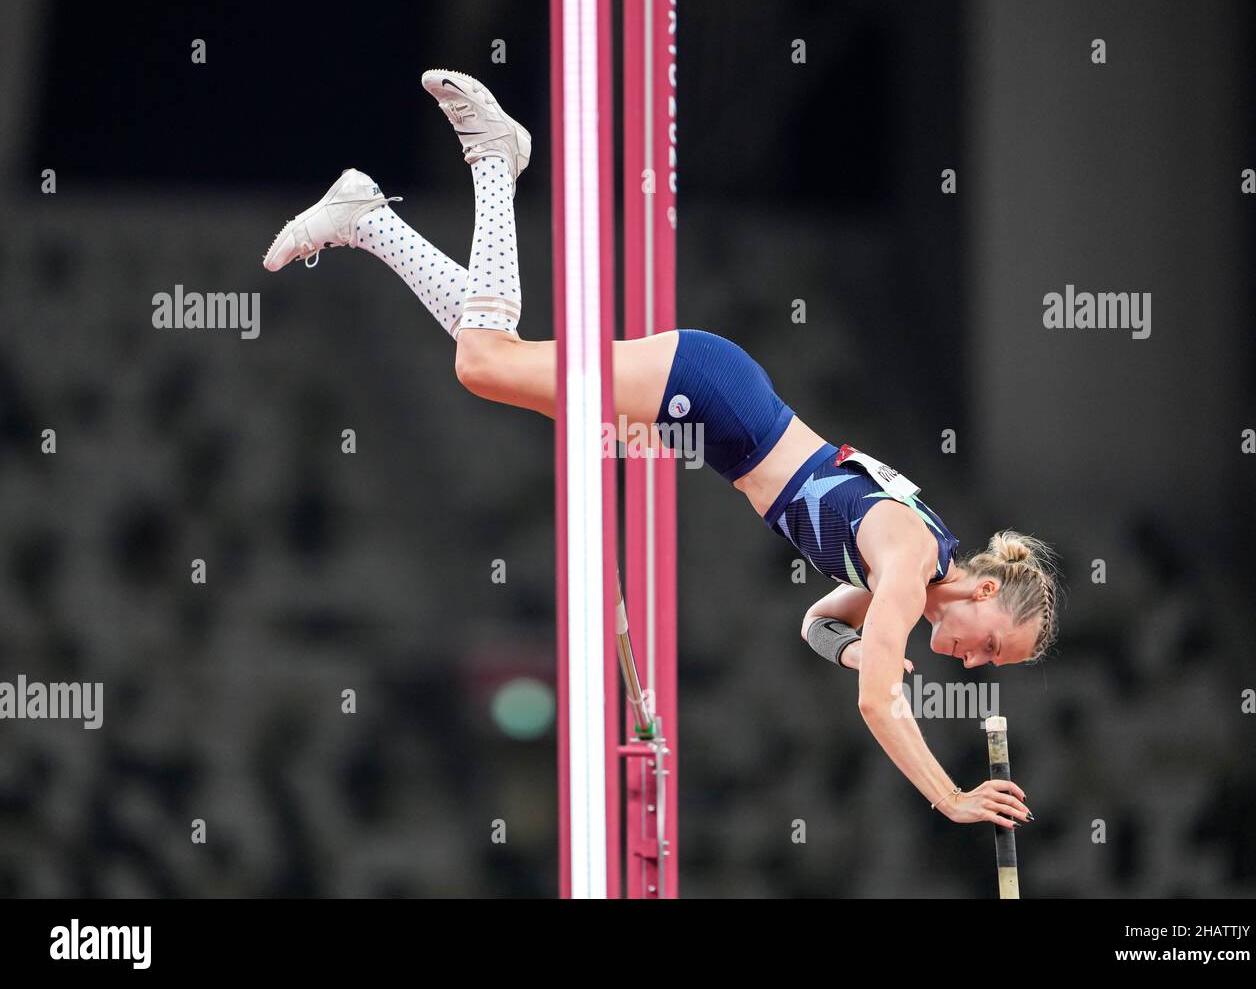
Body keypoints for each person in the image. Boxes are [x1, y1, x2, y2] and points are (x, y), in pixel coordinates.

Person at [263, 70, 1057, 830]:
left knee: (494, 358)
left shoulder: (910, 581)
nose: (979, 663)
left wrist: (857, 652)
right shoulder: (913, 557)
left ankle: (371, 220)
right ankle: (492, 160)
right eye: (993, 646)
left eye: (994, 664)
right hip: (717, 399)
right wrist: (951, 795)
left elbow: (817, 624)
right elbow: (880, 705)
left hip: (718, 420)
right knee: (485, 364)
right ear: (987, 592)